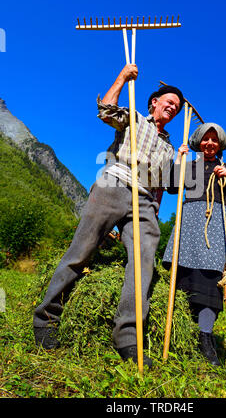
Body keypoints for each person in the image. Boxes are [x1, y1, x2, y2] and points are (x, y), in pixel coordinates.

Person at [33, 64, 185, 368]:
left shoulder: (169, 146)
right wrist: (123, 77)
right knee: (81, 251)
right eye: (169, 101)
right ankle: (45, 319)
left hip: (144, 200)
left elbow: (169, 187)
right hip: (114, 183)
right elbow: (105, 111)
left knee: (143, 265)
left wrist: (181, 162)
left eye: (178, 107)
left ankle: (128, 337)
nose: (173, 107)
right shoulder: (134, 118)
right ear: (154, 102)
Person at [163, 123, 226, 366]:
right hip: (189, 222)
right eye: (205, 140)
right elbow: (171, 187)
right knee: (185, 276)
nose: (209, 144)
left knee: (210, 279)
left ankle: (205, 337)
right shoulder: (190, 165)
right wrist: (178, 160)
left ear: (220, 145)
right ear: (199, 143)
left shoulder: (225, 167)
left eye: (214, 140)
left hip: (215, 224)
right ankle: (183, 330)